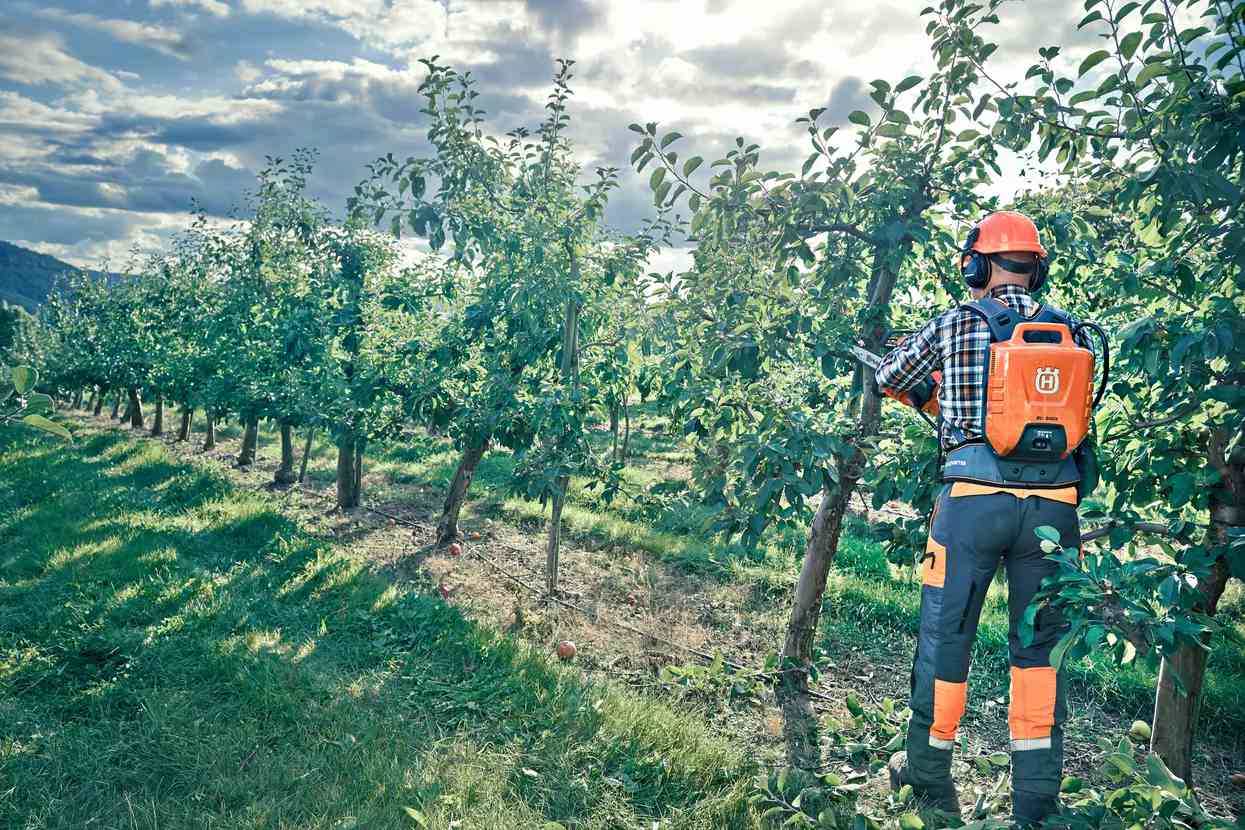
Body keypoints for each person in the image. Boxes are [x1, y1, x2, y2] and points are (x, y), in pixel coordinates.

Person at [874, 210, 1094, 825]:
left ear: (976, 265)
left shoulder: (957, 323)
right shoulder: (1072, 333)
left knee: (946, 642)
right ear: (1036, 268)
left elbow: (891, 376)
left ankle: (930, 784)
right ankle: (1035, 807)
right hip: (1055, 514)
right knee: (1039, 655)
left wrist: (936, 392)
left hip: (973, 505)